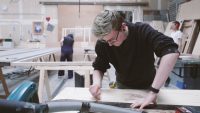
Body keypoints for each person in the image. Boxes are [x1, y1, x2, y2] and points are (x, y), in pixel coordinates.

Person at [89, 10, 179, 110]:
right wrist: (96, 84)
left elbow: (171, 51)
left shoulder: (142, 31)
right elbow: (99, 66)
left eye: (112, 40)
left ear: (123, 27)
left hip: (150, 86)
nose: (109, 44)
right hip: (123, 87)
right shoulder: (104, 42)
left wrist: (153, 91)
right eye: (106, 41)